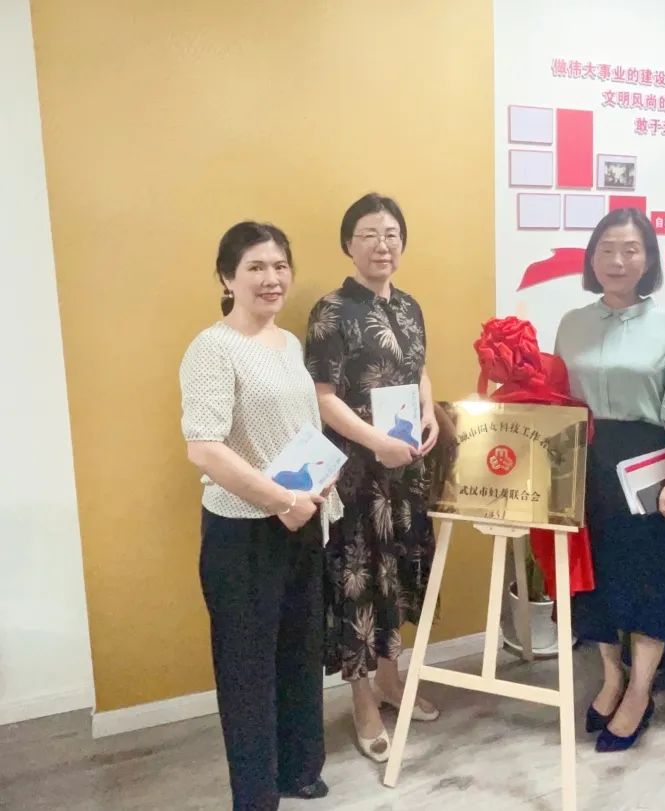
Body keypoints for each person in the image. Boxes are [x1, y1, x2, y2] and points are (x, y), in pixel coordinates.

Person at [180, 222, 339, 810]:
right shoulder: (212, 348)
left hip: (302, 521)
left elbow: (298, 428)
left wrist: (316, 483)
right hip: (244, 532)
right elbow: (204, 447)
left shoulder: (288, 343)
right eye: (255, 267)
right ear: (227, 278)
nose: (271, 279)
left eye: (279, 266)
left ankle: (299, 767)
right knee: (248, 669)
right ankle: (255, 796)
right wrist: (281, 501)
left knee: (299, 653)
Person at [555, 207, 665, 753]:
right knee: (595, 580)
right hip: (584, 464)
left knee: (648, 581)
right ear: (592, 258)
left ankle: (640, 691)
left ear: (649, 259)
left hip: (646, 466)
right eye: (607, 249)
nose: (618, 260)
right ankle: (611, 677)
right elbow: (556, 399)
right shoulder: (572, 323)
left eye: (631, 249)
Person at [305, 193, 440, 765]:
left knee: (399, 575)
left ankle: (391, 680)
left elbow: (419, 369)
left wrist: (430, 412)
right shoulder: (331, 311)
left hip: (405, 470)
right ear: (348, 244)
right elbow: (322, 397)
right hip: (356, 474)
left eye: (391, 235)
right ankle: (362, 700)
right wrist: (374, 442)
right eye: (369, 234)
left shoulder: (409, 306)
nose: (382, 245)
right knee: (358, 583)